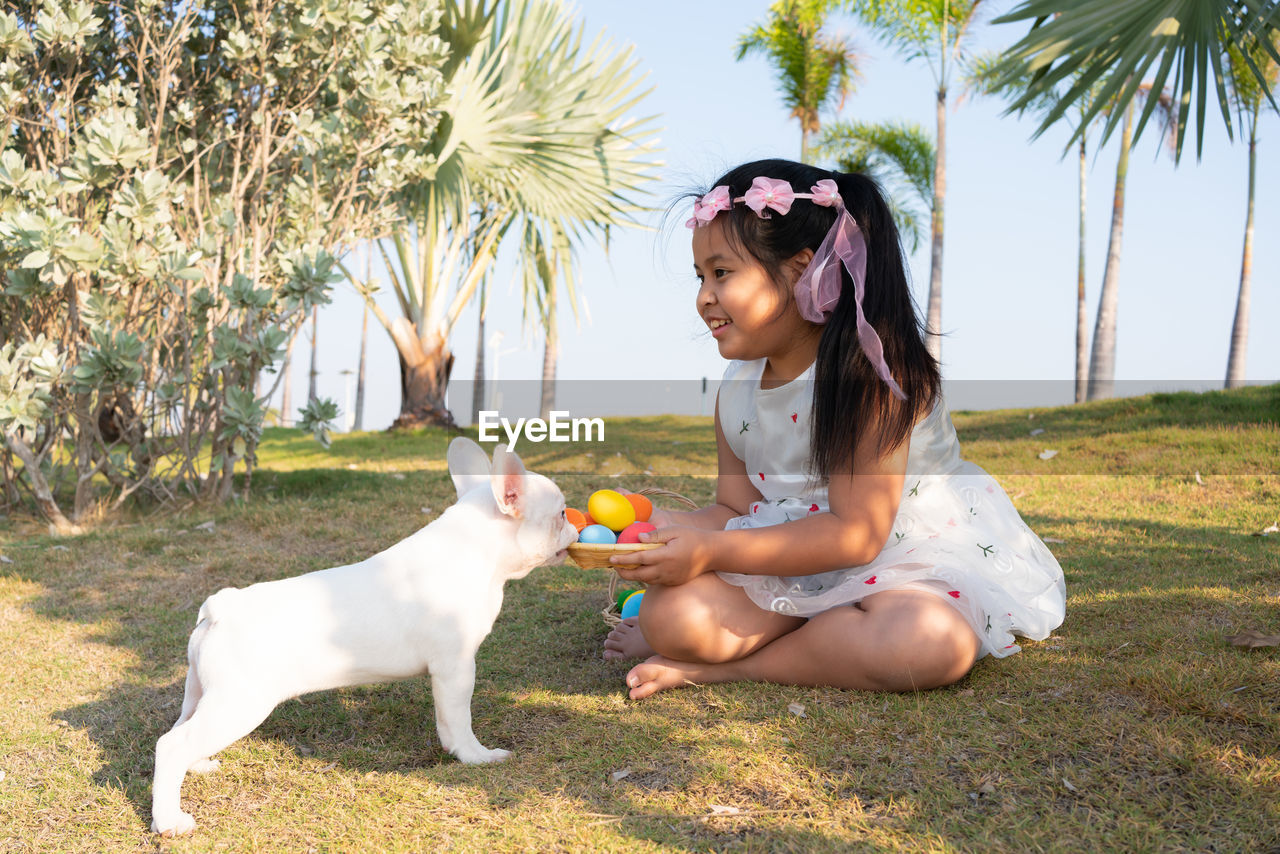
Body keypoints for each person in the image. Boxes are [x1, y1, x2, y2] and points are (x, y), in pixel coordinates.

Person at [604, 159, 1066, 701]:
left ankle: (730, 668)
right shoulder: (737, 388)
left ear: (803, 270)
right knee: (672, 618)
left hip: (903, 557)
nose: (704, 296)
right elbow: (733, 511)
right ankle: (819, 628)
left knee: (926, 644)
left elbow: (857, 534)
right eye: (700, 277)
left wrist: (707, 555)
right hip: (793, 555)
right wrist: (656, 525)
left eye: (722, 273)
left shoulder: (872, 376)